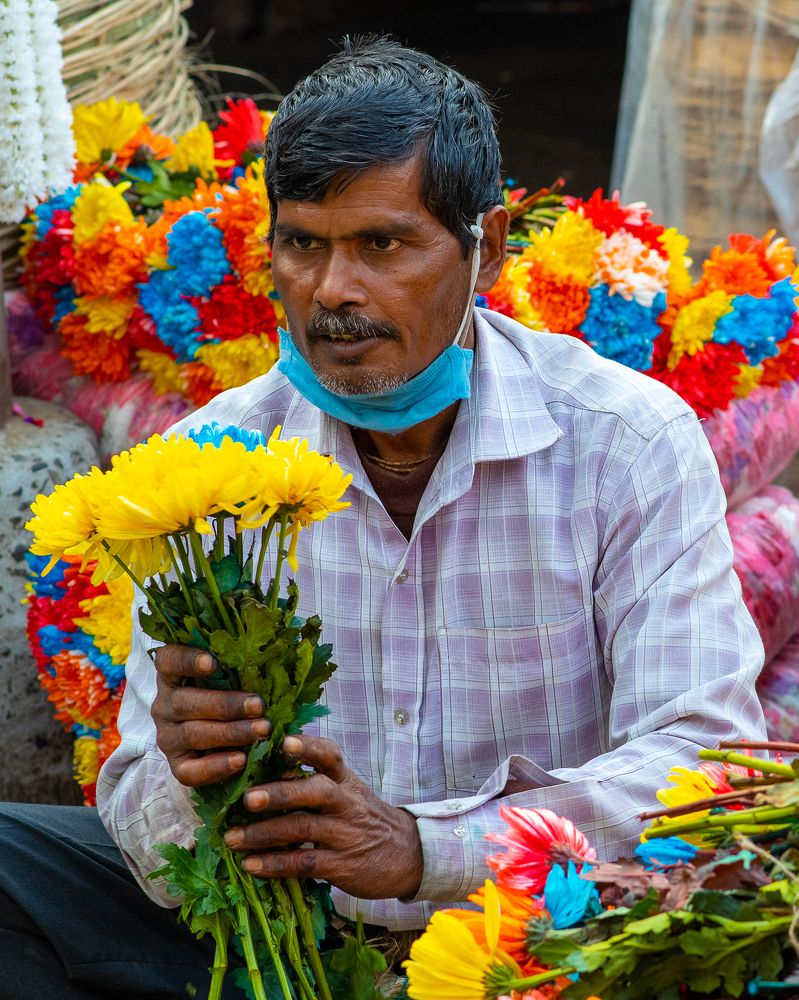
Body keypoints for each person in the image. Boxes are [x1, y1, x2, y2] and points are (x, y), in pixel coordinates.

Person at [0, 35, 766, 999]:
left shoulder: (623, 442)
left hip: (538, 940)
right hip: (278, 938)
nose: (333, 292)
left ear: (483, 248)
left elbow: (702, 764)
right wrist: (189, 789)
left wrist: (424, 850)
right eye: (304, 244)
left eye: (382, 244)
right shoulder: (208, 468)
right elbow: (141, 805)